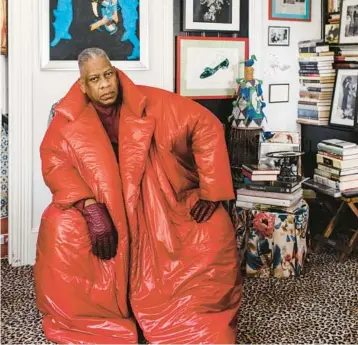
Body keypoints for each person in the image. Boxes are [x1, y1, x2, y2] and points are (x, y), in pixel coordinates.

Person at [34, 47, 242, 344]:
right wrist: (88, 205)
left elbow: (206, 125)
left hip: (159, 197)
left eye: (108, 75)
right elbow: (54, 162)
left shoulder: (154, 101)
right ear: (82, 85)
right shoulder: (65, 117)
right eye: (95, 79)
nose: (105, 84)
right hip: (99, 200)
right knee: (60, 228)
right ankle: (97, 318)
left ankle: (187, 315)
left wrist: (212, 190)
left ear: (116, 73)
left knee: (210, 229)